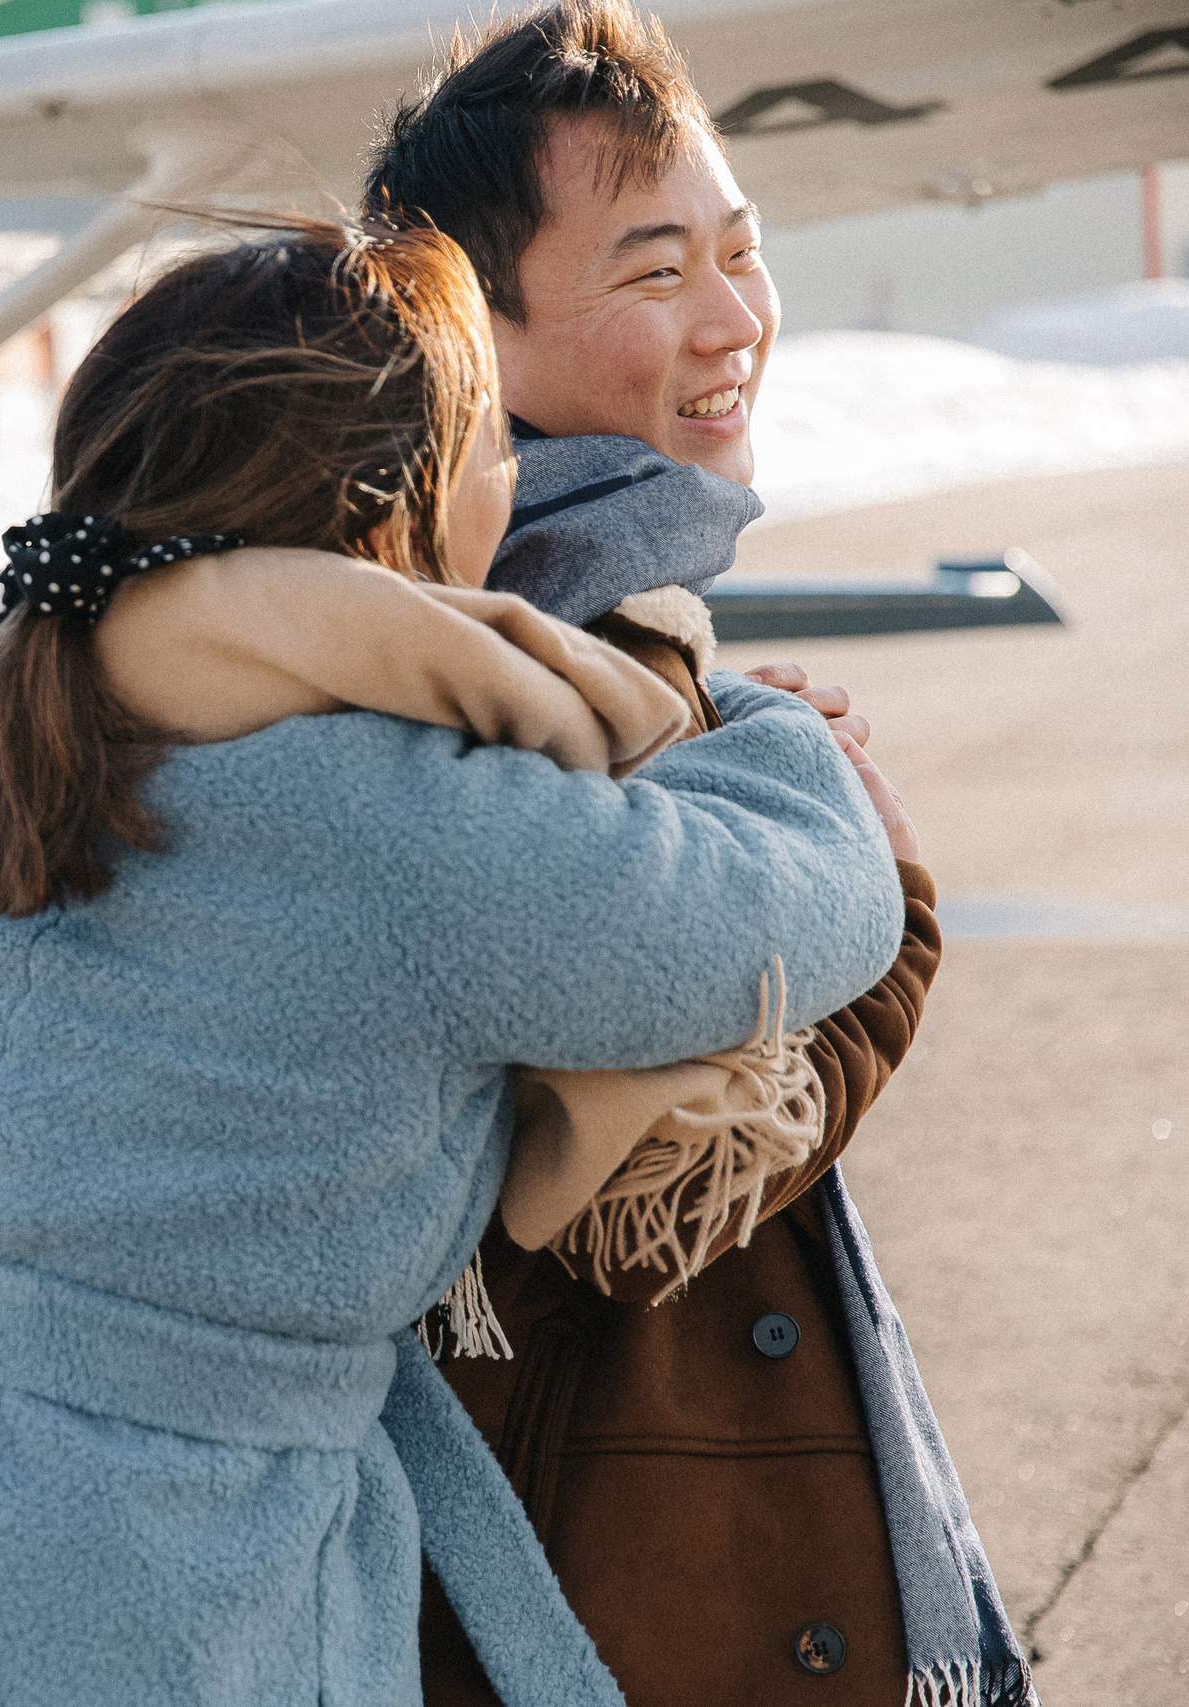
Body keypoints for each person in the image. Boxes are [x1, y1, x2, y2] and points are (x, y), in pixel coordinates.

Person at [0, 213, 903, 1707]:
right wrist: (755, 723)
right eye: (487, 444)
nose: (513, 479)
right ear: (390, 505)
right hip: (161, 1580)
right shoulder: (396, 823)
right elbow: (808, 908)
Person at [354, 5, 1029, 1704]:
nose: (735, 319)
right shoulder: (516, 672)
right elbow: (637, 1213)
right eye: (655, 274)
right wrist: (880, 893)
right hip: (628, 1603)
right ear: (472, 342)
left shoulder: (564, 630)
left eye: (743, 250)